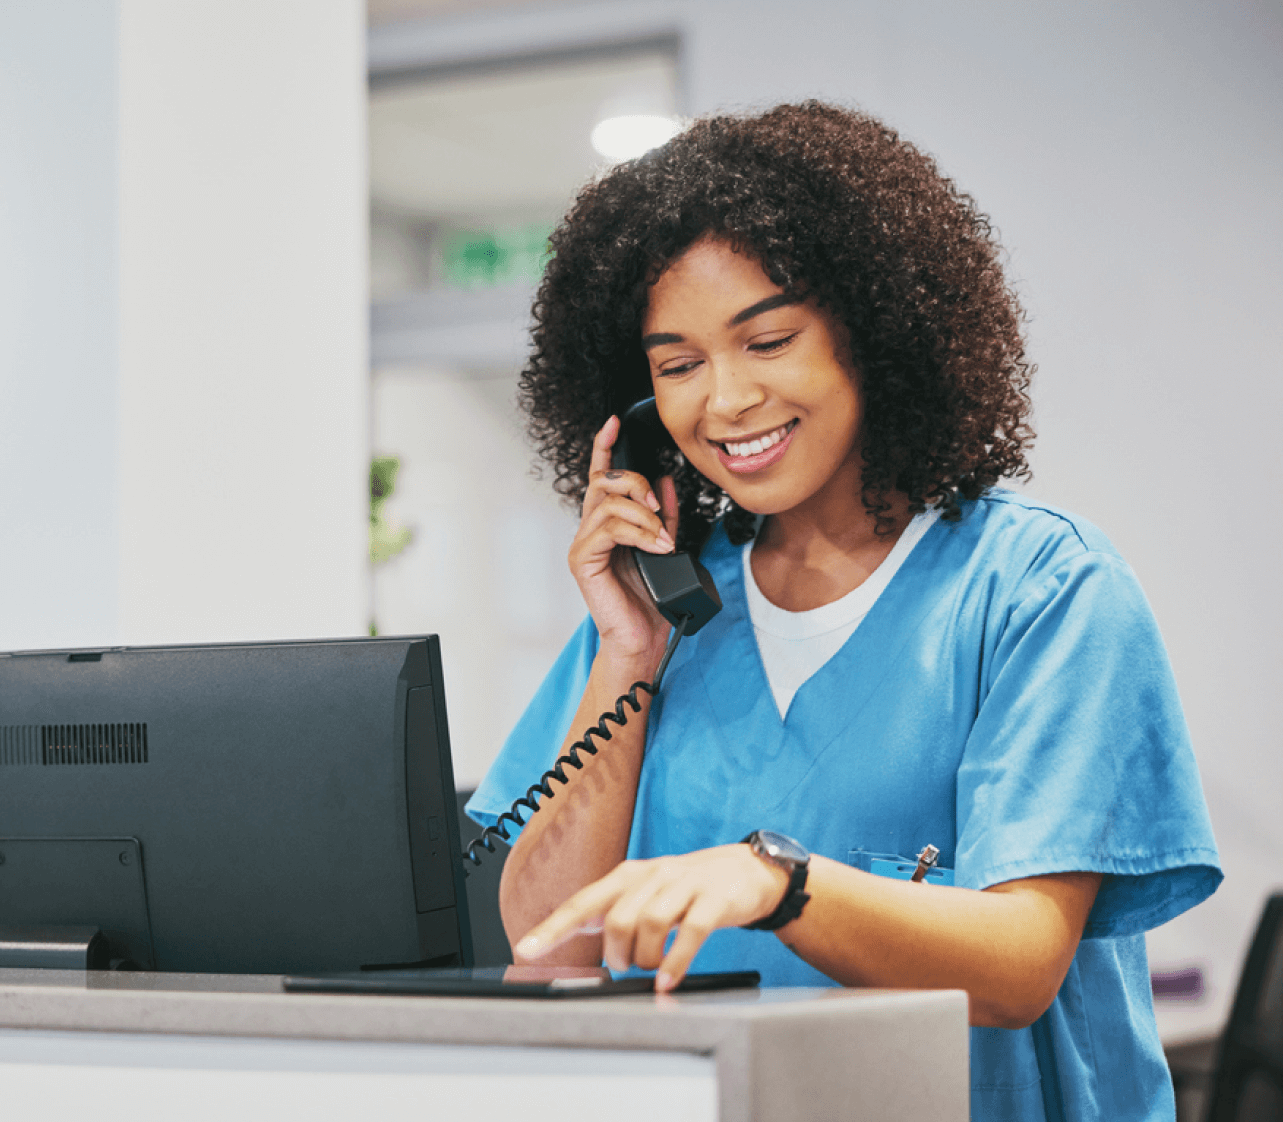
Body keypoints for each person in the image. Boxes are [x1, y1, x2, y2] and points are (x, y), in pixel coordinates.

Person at [465, 101, 1220, 1121]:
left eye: (767, 339)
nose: (723, 400)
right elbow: (549, 945)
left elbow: (1018, 965)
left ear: (868, 331)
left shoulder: (1039, 587)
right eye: (676, 364)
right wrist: (628, 651)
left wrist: (777, 882)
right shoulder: (662, 611)